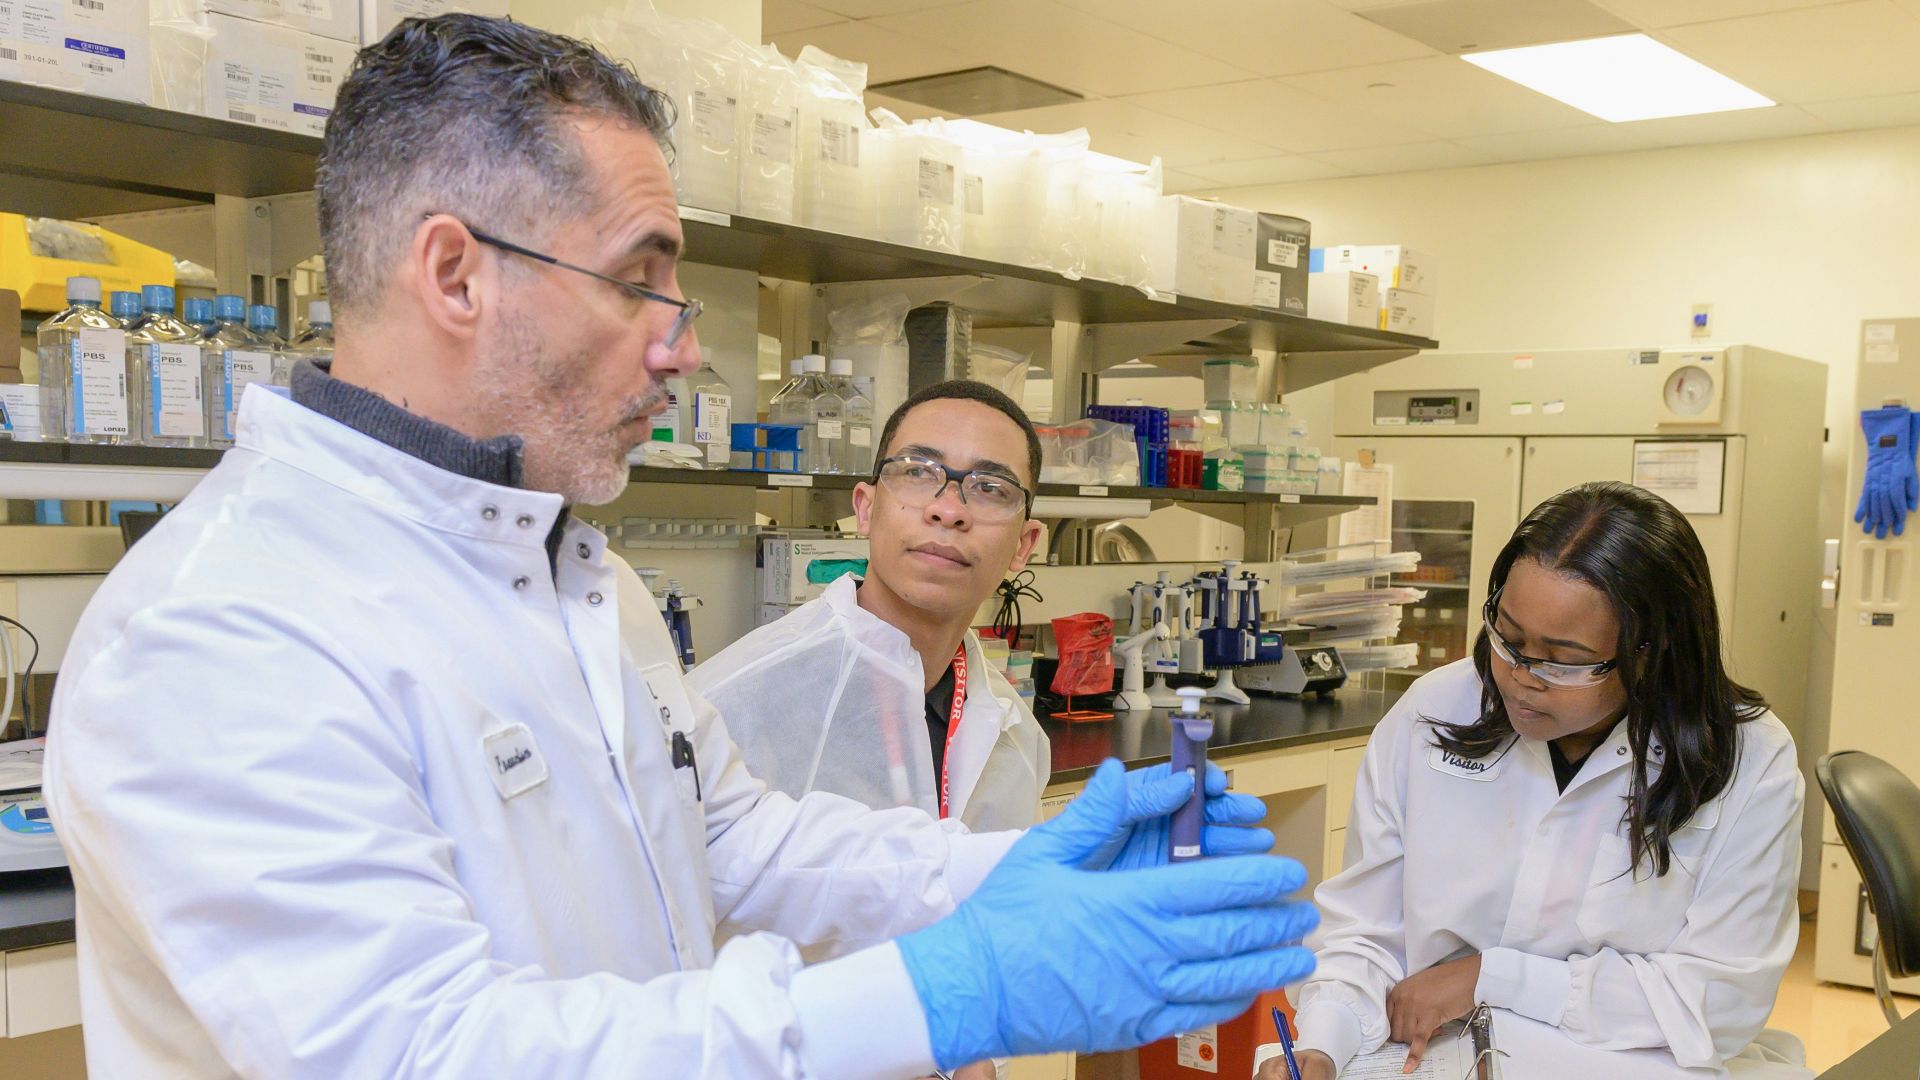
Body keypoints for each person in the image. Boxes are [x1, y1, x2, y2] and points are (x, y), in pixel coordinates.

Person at [39, 16, 1323, 1079]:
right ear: (455, 272)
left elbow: (735, 841)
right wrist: (948, 992)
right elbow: (425, 1053)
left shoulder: (563, 573)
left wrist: (1015, 872)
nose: (686, 343)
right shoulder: (224, 629)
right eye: (640, 277)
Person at [1255, 482, 1807, 1079]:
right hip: (1436, 1059)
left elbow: (1718, 1000)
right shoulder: (1433, 711)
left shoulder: (1748, 757)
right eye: (1509, 639)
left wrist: (1491, 979)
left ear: (1651, 649)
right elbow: (1364, 932)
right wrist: (1322, 1044)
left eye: (1562, 658)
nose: (1522, 678)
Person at [691, 380, 1050, 837]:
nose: (948, 510)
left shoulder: (1016, 736)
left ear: (1023, 545)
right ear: (865, 507)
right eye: (918, 471)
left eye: (990, 488)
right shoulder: (732, 705)